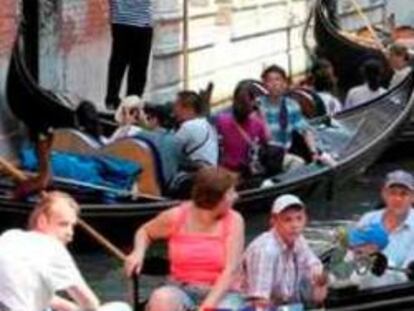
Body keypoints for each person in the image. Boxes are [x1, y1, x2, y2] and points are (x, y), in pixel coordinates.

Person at [124, 166, 245, 311]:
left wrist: (207, 307)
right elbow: (145, 232)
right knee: (161, 298)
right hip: (182, 288)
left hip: (223, 293)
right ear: (217, 199)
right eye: (231, 193)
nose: (236, 196)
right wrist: (138, 252)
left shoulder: (234, 220)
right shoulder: (176, 216)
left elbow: (230, 270)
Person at [0, 191, 131, 311]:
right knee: (121, 308)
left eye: (72, 226)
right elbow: (89, 303)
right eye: (63, 224)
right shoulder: (53, 247)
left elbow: (20, 291)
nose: (70, 233)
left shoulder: (10, 237)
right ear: (42, 221)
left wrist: (68, 307)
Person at [242, 194, 328, 309]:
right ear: (274, 221)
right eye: (287, 220)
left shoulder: (298, 240)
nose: (295, 225)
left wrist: (320, 280)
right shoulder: (265, 250)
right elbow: (259, 301)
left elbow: (313, 267)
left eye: (299, 218)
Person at [353, 169, 414, 287]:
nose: (397, 199)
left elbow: (408, 273)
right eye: (393, 193)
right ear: (384, 194)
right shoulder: (367, 219)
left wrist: (384, 267)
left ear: (413, 197)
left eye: (404, 194)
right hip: (363, 287)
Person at [258, 65, 318, 168]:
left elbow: (305, 130)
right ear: (264, 85)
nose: (274, 84)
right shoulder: (258, 105)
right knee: (297, 163)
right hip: (262, 155)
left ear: (284, 83)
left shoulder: (291, 105)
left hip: (281, 155)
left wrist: (313, 152)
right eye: (270, 80)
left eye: (278, 80)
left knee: (298, 163)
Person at [105, 0, 153, 110]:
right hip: (140, 23)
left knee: (118, 63)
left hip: (121, 22)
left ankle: (113, 99)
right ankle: (131, 102)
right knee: (138, 68)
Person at [215, 80, 270, 175]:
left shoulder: (221, 120)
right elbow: (267, 140)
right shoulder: (258, 124)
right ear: (253, 103)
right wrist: (262, 115)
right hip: (247, 174)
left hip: (225, 173)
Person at [173, 90, 219, 169]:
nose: (174, 110)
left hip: (200, 175)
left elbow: (169, 149)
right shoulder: (205, 123)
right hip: (211, 172)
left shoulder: (189, 126)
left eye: (176, 106)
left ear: (188, 108)